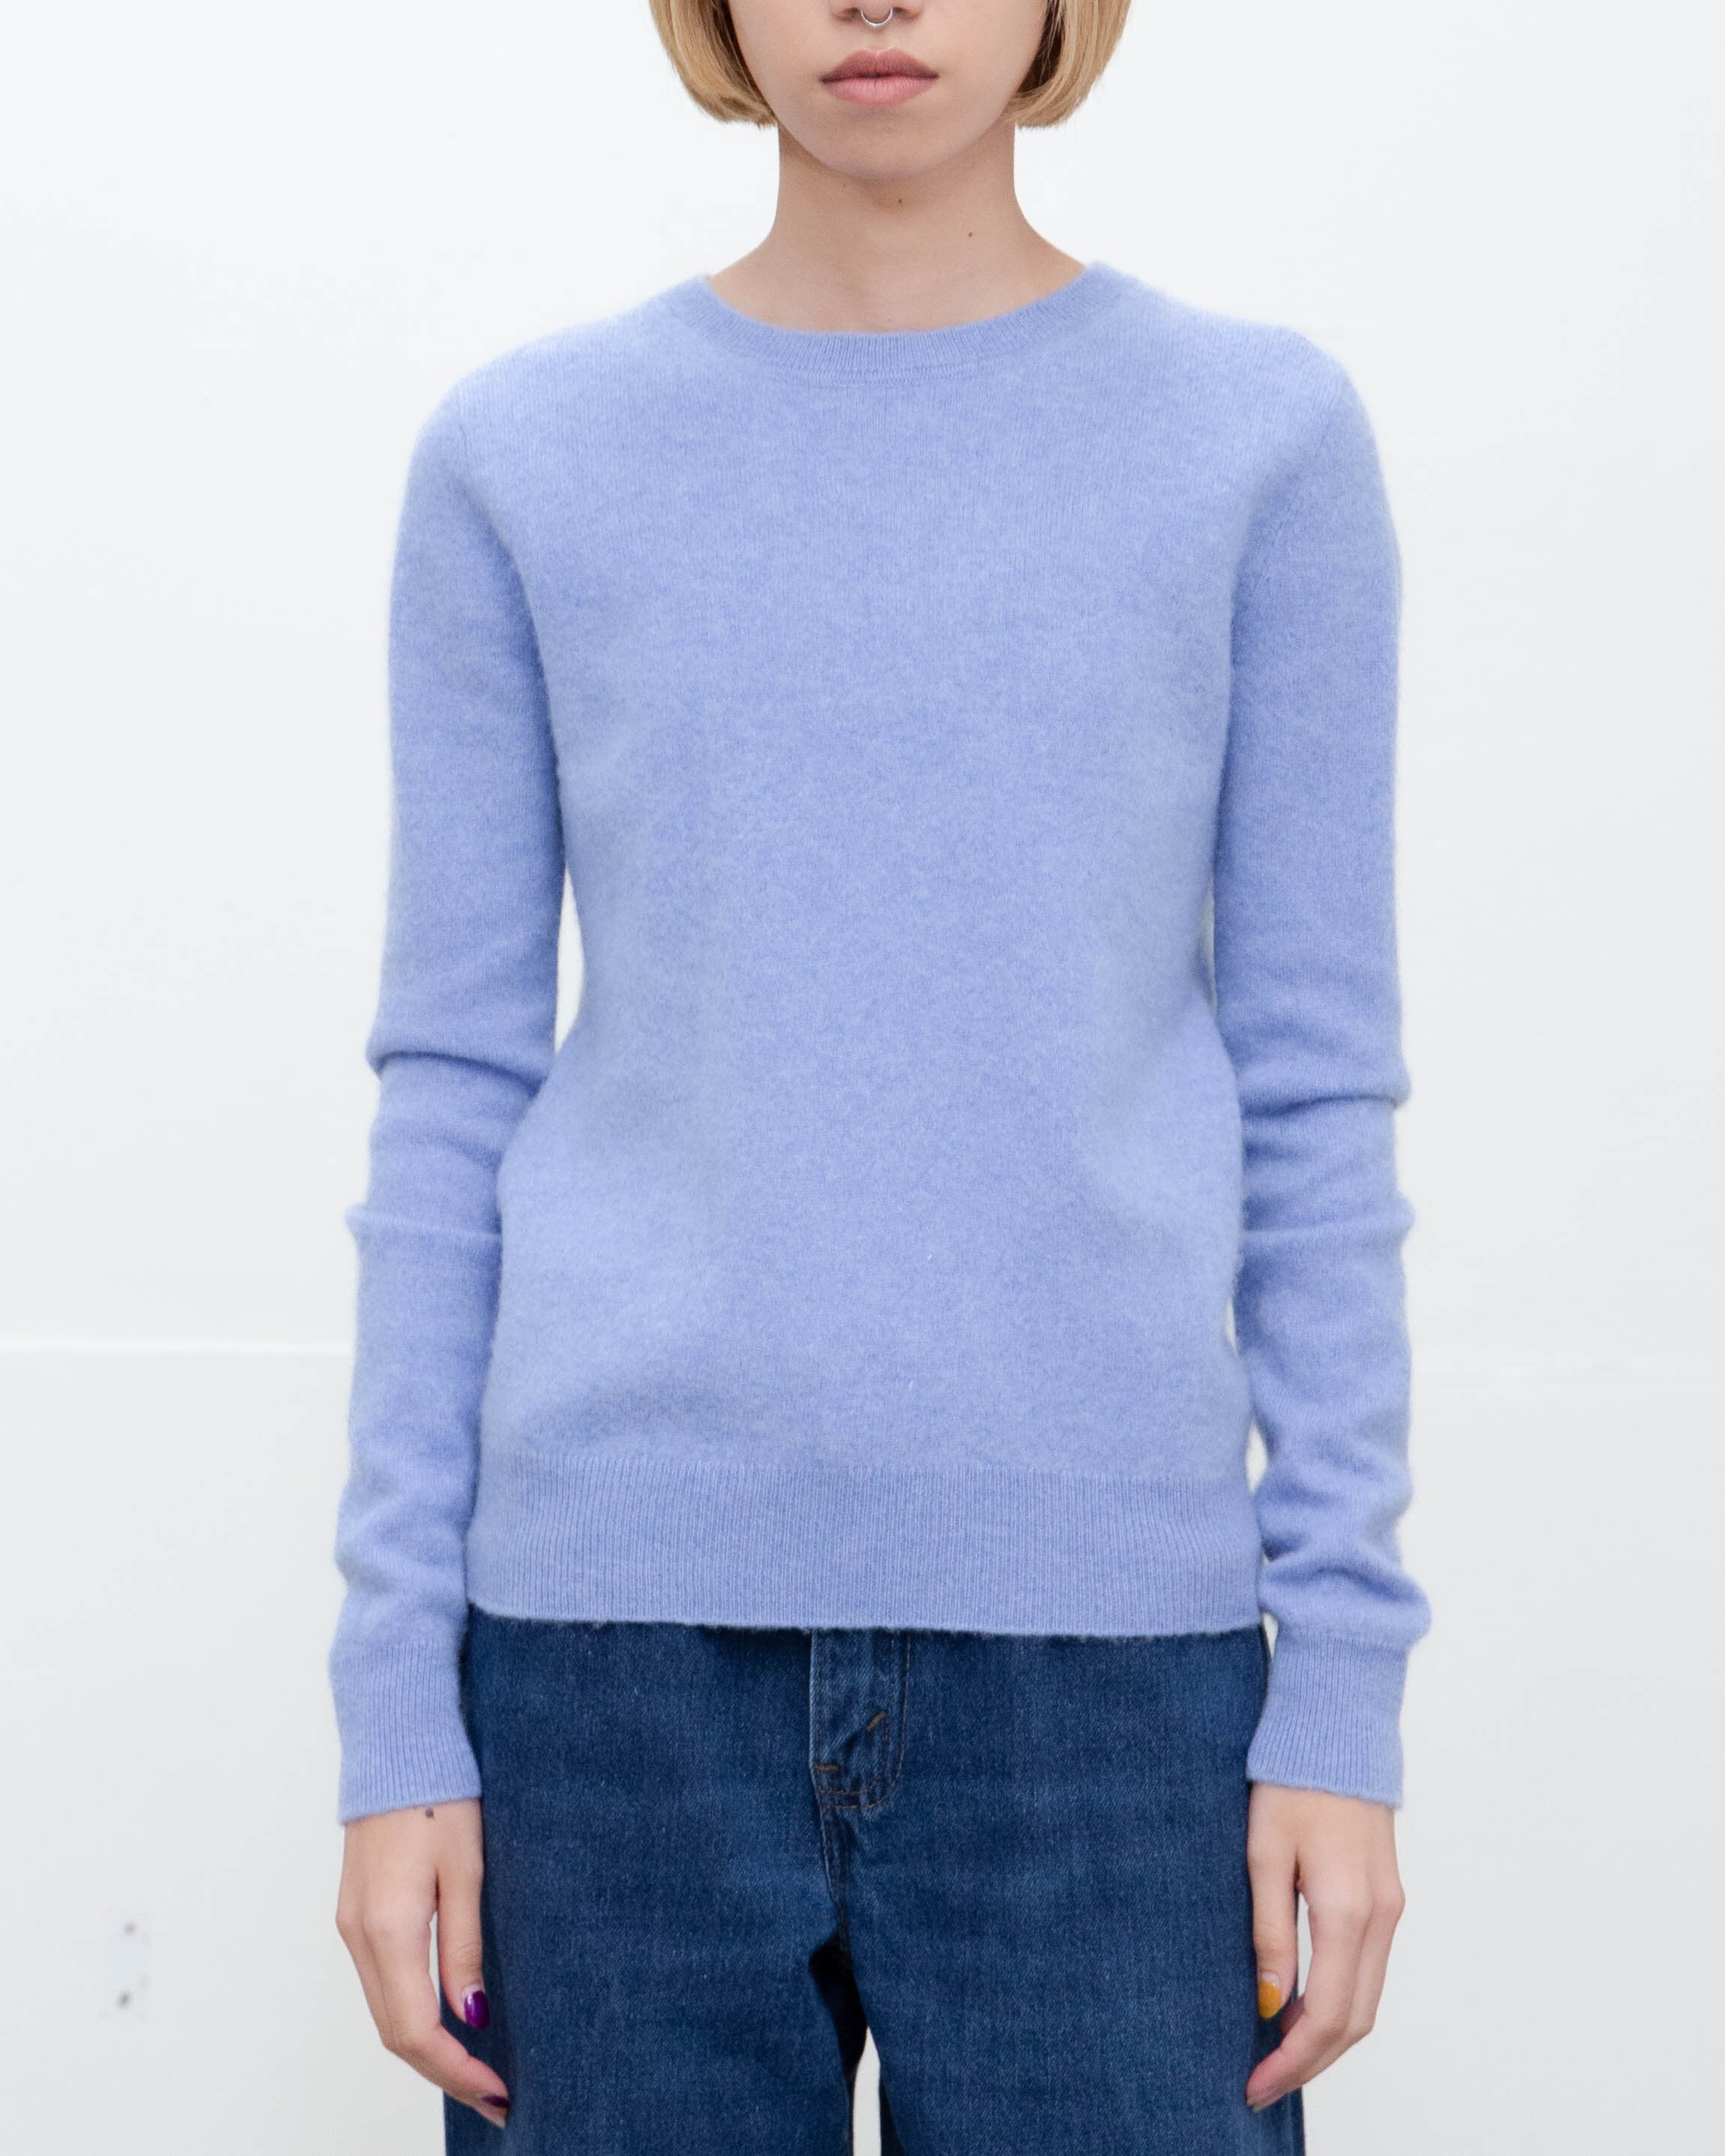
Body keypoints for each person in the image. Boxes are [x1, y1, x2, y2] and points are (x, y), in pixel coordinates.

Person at [330, 2, 1430, 2148]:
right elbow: (449, 1089)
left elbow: (1314, 1092)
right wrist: (396, 1715)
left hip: (1116, 1692)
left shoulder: (1257, 442)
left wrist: (1345, 1693)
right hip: (604, 1679)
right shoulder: (526, 455)